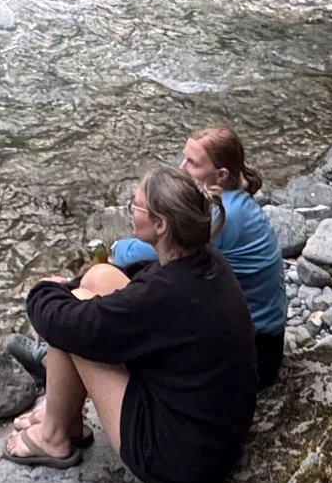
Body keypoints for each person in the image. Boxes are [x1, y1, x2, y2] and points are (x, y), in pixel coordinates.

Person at [4, 165, 257, 483]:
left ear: (160, 224)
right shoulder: (204, 262)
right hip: (216, 434)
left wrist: (43, 290)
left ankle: (53, 436)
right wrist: (67, 290)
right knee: (98, 278)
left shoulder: (163, 295)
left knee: (74, 316)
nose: (129, 213)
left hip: (178, 461)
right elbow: (138, 291)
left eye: (134, 207)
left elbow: (71, 323)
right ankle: (68, 420)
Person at [109, 125, 289, 387]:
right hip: (261, 338)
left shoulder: (223, 216)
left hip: (255, 354)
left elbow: (145, 250)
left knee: (132, 270)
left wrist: (115, 249)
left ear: (220, 175)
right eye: (184, 158)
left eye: (192, 163)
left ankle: (77, 344)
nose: (182, 168)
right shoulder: (234, 202)